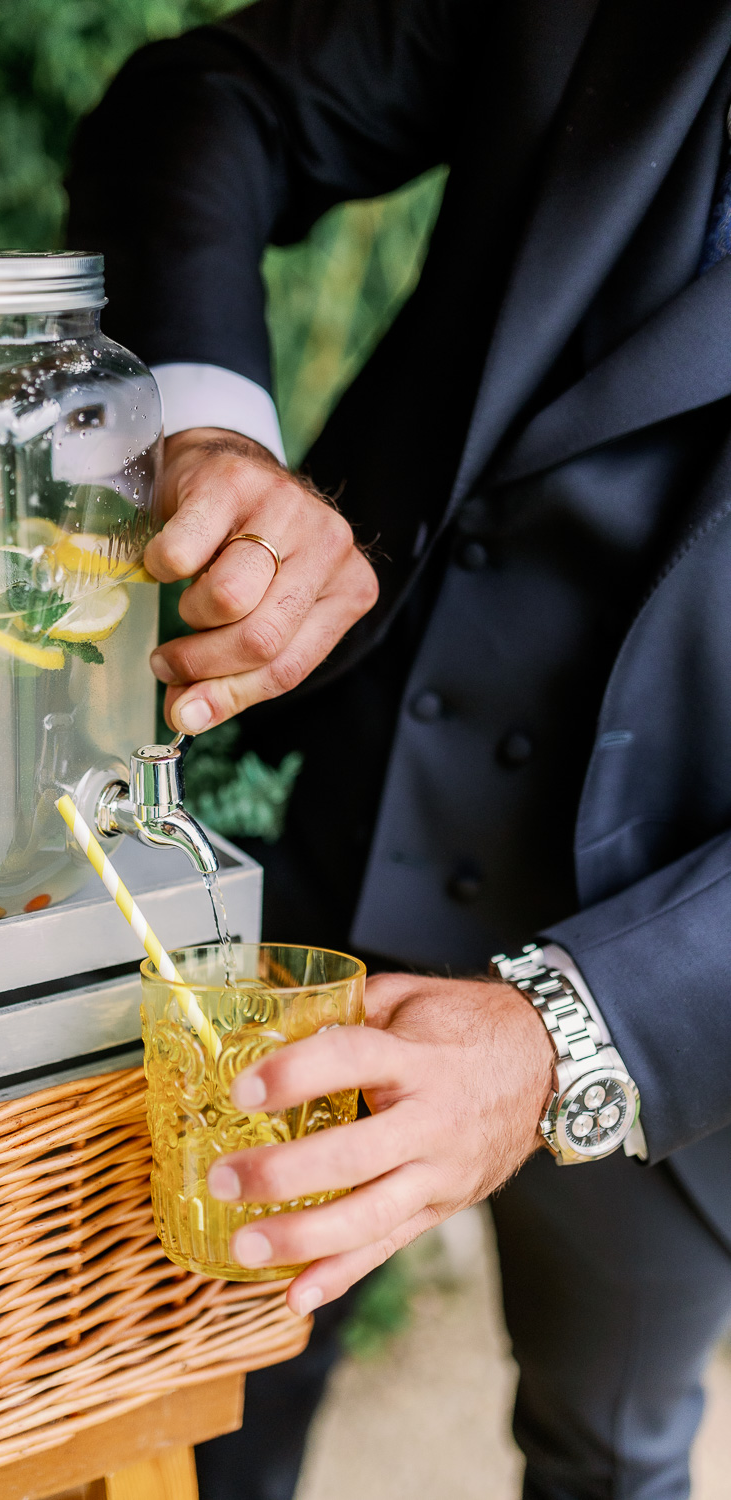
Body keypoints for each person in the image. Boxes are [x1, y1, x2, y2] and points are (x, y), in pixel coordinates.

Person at [67, 3, 731, 1496]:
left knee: (607, 1446)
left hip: (678, 978)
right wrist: (208, 427)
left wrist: (580, 1037)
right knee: (208, 1388)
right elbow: (212, 97)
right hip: (345, 817)